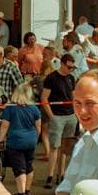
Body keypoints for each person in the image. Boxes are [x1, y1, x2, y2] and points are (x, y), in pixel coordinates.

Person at [0, 84, 43, 195]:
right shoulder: (34, 108)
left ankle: (21, 193)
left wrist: (1, 140)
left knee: (19, 168)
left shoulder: (10, 108)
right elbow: (38, 126)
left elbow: (4, 125)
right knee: (28, 166)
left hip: (15, 141)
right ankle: (27, 191)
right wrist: (36, 137)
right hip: (31, 140)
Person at [41, 54, 79, 187]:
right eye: (68, 67)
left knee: (65, 148)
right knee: (54, 147)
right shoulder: (51, 78)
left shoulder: (71, 78)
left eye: (72, 67)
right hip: (57, 115)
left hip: (70, 115)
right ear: (62, 64)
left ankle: (61, 174)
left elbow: (74, 97)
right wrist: (51, 116)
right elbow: (44, 98)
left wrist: (76, 113)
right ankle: (50, 176)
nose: (70, 70)